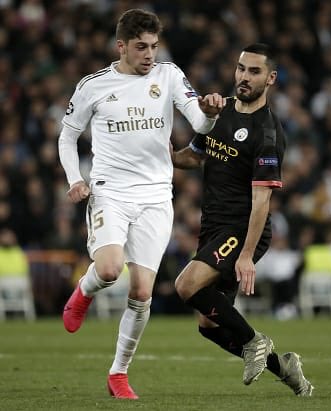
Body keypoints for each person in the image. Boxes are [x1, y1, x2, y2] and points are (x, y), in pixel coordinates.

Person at [57, 9, 224, 400]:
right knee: (109, 269)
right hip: (110, 191)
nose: (149, 54)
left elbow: (200, 124)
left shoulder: (169, 75)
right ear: (121, 46)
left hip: (156, 196)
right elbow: (67, 137)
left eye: (153, 46)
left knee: (143, 292)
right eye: (140, 47)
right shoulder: (94, 85)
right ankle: (84, 291)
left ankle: (118, 374)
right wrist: (75, 179)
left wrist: (211, 114)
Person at [171, 43, 313, 396]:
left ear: (271, 78)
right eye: (240, 68)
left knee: (187, 286)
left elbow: (262, 199)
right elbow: (194, 157)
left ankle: (254, 341)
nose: (244, 77)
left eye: (254, 71)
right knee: (209, 325)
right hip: (212, 227)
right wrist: (160, 152)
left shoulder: (268, 133)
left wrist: (246, 255)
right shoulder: (220, 112)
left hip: (243, 228)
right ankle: (284, 368)